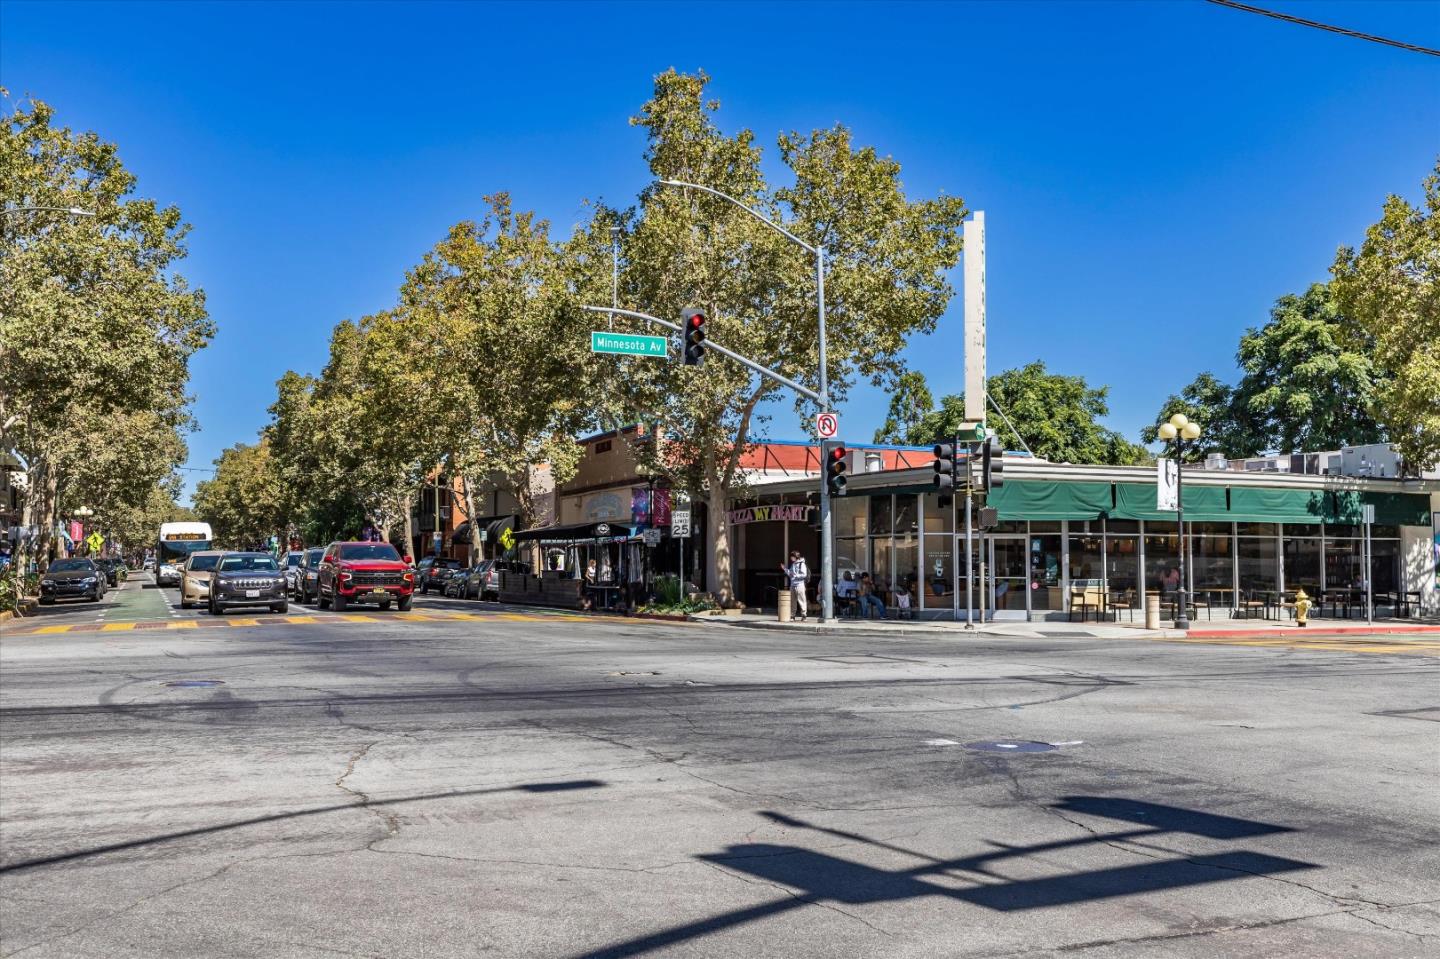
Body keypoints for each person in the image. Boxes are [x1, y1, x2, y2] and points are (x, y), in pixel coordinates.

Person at [781, 550, 809, 620]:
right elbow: (790, 573)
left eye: (792, 557)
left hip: (800, 585)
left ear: (796, 557)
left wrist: (796, 575)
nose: (791, 558)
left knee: (801, 600)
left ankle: (804, 615)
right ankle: (792, 615)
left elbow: (804, 574)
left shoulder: (802, 564)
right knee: (793, 601)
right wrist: (784, 569)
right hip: (793, 584)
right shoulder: (793, 564)